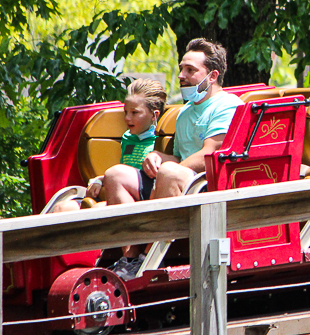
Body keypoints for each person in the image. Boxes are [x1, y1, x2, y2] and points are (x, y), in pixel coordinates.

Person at [102, 38, 243, 275]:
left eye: (190, 70)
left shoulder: (226, 106)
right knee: (115, 174)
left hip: (209, 187)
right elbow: (179, 157)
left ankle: (149, 257)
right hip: (180, 180)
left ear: (212, 76)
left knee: (168, 172)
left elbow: (210, 154)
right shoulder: (186, 111)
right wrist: (158, 157)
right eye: (181, 69)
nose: (182, 75)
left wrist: (165, 173)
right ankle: (130, 258)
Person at [51, 78, 166, 213]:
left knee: (96, 209)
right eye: (126, 112)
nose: (127, 118)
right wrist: (100, 180)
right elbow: (125, 170)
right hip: (120, 191)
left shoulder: (158, 140)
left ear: (154, 115)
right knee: (61, 208)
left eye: (134, 113)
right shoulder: (128, 137)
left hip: (141, 197)